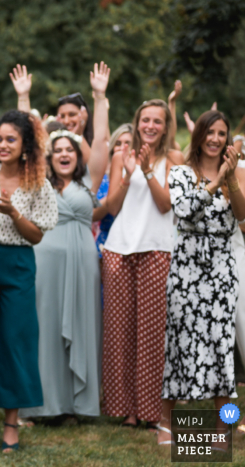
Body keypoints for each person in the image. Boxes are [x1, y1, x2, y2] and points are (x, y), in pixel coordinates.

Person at [19, 63, 110, 424]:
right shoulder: (38, 181)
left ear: (77, 154)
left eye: (69, 149)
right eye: (56, 150)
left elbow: (101, 142)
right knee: (43, 327)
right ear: (49, 156)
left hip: (83, 261)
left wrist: (100, 97)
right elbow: (28, 138)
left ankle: (78, 405)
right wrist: (24, 98)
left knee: (83, 324)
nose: (64, 153)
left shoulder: (89, 179)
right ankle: (44, 406)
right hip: (45, 262)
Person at [0, 109, 58, 451]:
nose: (2, 145)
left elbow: (36, 236)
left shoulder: (38, 183)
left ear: (25, 145)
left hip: (18, 262)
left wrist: (15, 214)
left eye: (10, 140)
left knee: (16, 341)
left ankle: (10, 421)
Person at [157, 111, 245, 448]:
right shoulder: (180, 172)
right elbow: (183, 210)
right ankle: (166, 424)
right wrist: (215, 180)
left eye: (222, 134)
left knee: (222, 347)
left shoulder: (234, 173)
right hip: (187, 268)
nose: (215, 139)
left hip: (222, 266)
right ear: (199, 136)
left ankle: (225, 429)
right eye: (210, 132)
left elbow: (243, 218)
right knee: (180, 342)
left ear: (227, 139)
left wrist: (231, 180)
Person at [102, 99, 184, 429]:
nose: (150, 126)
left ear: (166, 127)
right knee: (120, 334)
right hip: (119, 249)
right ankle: (127, 410)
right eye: (145, 120)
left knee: (151, 335)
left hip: (157, 250)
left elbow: (165, 205)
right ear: (137, 124)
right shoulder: (122, 155)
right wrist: (127, 172)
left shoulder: (174, 159)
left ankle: (151, 411)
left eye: (157, 121)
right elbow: (112, 207)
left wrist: (148, 170)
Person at [93, 124, 133, 256]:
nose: (122, 148)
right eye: (118, 143)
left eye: (128, 143)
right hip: (106, 244)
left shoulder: (141, 178)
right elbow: (94, 214)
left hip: (134, 244)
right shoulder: (103, 179)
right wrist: (121, 184)